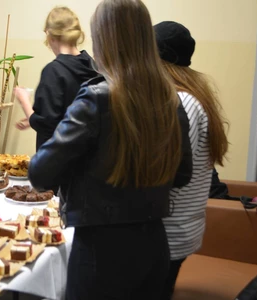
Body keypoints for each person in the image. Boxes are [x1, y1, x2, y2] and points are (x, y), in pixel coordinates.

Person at [27, 0, 193, 299]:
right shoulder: (171, 99)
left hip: (101, 252)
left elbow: (40, 172)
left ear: (103, 38)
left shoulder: (97, 97)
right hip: (154, 245)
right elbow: (182, 174)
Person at [154, 21, 229, 300]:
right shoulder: (193, 94)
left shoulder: (182, 102)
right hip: (181, 229)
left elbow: (169, 171)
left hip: (170, 233)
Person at [14, 6, 98, 151]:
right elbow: (68, 114)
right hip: (86, 157)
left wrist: (24, 101)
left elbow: (47, 126)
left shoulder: (54, 71)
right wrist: (31, 119)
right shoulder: (91, 66)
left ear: (50, 36)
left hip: (59, 161)